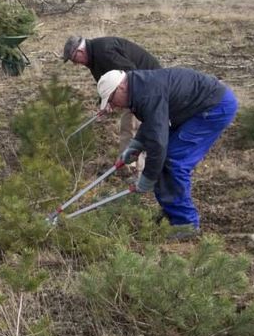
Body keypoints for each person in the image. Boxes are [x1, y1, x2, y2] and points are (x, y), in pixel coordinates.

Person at [96, 67, 238, 239]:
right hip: (193, 108)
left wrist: (148, 178)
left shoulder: (146, 93)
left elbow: (158, 143)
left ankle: (185, 223)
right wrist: (136, 145)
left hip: (213, 107)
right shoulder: (138, 89)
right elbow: (153, 121)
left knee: (173, 160)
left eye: (111, 100)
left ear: (120, 88)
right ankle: (172, 213)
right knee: (164, 159)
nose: (113, 106)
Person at [63, 35, 162, 173]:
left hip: (147, 82)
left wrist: (123, 102)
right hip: (135, 84)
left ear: (80, 51)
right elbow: (104, 84)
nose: (76, 64)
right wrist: (104, 104)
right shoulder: (93, 57)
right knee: (129, 126)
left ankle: (135, 169)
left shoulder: (104, 51)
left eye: (74, 60)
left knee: (131, 125)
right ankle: (127, 166)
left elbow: (132, 73)